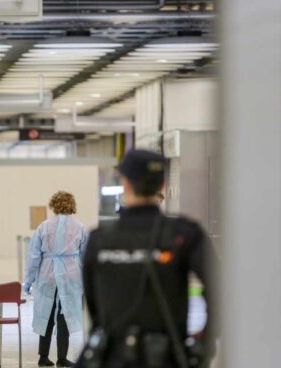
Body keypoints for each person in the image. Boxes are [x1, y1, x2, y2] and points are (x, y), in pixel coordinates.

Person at [79, 150, 215, 368]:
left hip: (113, 357)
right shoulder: (184, 234)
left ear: (125, 183)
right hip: (167, 358)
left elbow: (93, 305)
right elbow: (222, 290)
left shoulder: (99, 240)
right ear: (163, 186)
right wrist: (203, 343)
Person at [24, 191, 89, 367]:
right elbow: (85, 256)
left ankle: (43, 357)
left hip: (48, 275)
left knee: (46, 315)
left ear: (53, 205)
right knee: (64, 318)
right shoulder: (80, 227)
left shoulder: (43, 227)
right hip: (70, 278)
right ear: (72, 205)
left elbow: (34, 256)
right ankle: (62, 358)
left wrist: (28, 281)